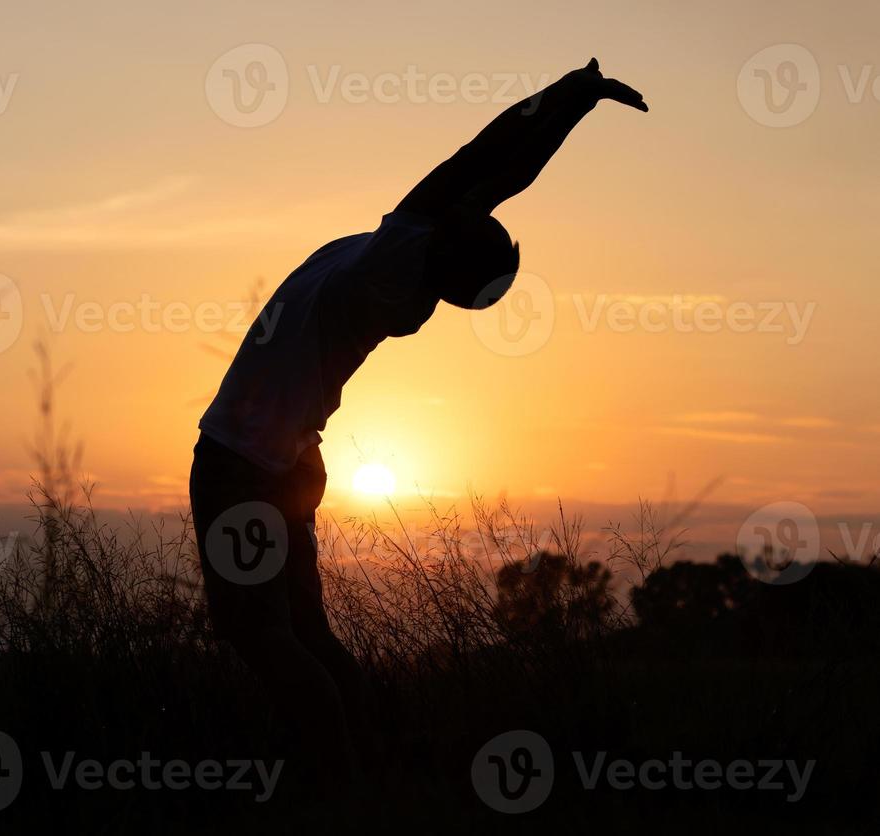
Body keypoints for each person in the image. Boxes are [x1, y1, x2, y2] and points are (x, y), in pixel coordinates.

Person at [189, 58, 648, 785]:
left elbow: (484, 162)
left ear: (452, 244)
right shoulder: (409, 273)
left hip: (243, 464)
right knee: (304, 633)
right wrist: (573, 105)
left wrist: (567, 97)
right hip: (287, 461)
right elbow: (495, 173)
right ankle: (369, 771)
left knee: (260, 634)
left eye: (474, 216)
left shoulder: (394, 258)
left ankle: (333, 778)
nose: (471, 203)